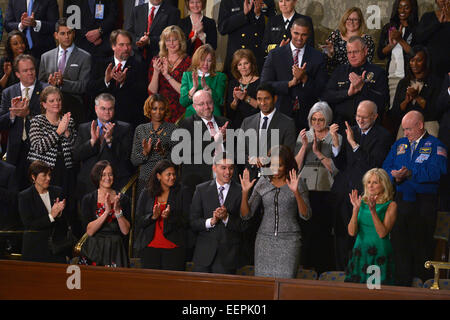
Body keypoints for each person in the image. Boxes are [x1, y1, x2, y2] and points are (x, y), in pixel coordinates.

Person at [383, 110, 447, 286]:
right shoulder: (399, 145)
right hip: (401, 201)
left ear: (420, 125)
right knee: (399, 245)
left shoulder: (436, 145)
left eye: (409, 129)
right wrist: (394, 176)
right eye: (403, 129)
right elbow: (385, 168)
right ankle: (401, 287)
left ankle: (423, 288)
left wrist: (412, 173)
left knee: (421, 246)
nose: (405, 134)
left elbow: (438, 172)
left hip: (424, 203)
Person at [331, 100, 393, 271]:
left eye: (364, 117)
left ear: (375, 116)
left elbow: (373, 166)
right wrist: (336, 143)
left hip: (367, 196)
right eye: (358, 116)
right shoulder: (351, 130)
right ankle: (341, 274)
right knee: (342, 237)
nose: (360, 120)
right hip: (345, 193)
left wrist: (353, 144)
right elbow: (341, 164)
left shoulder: (384, 136)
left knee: (360, 238)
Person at [240, 145, 312, 278]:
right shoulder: (263, 182)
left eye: (280, 165)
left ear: (287, 165)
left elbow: (306, 215)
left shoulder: (297, 182)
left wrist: (296, 192)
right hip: (264, 241)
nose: (275, 169)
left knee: (285, 286)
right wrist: (245, 193)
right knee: (263, 287)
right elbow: (246, 215)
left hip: (290, 241)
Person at [294, 102, 341, 274]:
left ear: (328, 119)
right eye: (313, 119)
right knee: (305, 230)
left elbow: (335, 168)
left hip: (326, 189)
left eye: (321, 119)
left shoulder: (336, 136)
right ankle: (305, 268)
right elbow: (296, 166)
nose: (317, 123)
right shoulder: (303, 135)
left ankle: (323, 271)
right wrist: (305, 146)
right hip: (305, 188)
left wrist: (319, 153)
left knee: (322, 232)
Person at [27, 86, 79, 236]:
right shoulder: (37, 121)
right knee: (48, 207)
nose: (56, 103)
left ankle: (64, 239)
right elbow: (38, 147)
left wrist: (68, 134)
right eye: (51, 101)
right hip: (46, 171)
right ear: (44, 104)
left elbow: (75, 148)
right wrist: (58, 132)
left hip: (66, 169)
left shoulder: (68, 120)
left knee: (66, 206)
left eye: (58, 100)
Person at [261, 17, 328, 132]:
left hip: (308, 117)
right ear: (291, 30)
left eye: (304, 35)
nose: (299, 38)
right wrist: (289, 84)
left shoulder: (318, 57)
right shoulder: (275, 54)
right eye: (296, 33)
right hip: (280, 114)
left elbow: (322, 90)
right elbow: (264, 85)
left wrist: (304, 78)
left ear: (309, 34)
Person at [190, 153, 246, 274]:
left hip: (228, 257)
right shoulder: (201, 190)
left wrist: (226, 218)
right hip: (203, 256)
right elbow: (193, 222)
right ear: (214, 168)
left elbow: (245, 225)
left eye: (231, 168)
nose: (228, 172)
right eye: (223, 168)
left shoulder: (241, 191)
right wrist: (211, 221)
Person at [73, 93, 134, 201]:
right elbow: (76, 155)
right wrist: (92, 142)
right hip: (88, 185)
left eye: (110, 108)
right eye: (103, 108)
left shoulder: (125, 128)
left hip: (114, 184)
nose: (107, 112)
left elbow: (125, 157)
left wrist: (110, 140)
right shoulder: (84, 128)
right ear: (96, 108)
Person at [0, 54, 48, 190]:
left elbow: (52, 119)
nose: (30, 73)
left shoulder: (46, 90)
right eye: (25, 70)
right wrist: (12, 113)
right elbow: (1, 122)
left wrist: (29, 115)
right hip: (15, 151)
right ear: (17, 74)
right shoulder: (8, 92)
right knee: (14, 191)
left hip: (38, 149)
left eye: (32, 69)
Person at [135, 159, 192, 270]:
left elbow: (187, 220)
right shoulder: (146, 193)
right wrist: (152, 217)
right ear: (159, 176)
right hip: (149, 247)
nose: (172, 177)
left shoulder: (183, 192)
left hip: (173, 247)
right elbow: (138, 221)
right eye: (168, 174)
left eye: (174, 174)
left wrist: (170, 217)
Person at [322, 36, 388, 131]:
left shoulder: (378, 72)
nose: (352, 56)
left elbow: (382, 103)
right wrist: (347, 93)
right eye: (349, 52)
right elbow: (326, 96)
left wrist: (362, 88)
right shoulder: (340, 71)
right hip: (341, 127)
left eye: (356, 52)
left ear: (365, 51)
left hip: (368, 128)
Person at [344, 168, 397, 285]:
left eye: (375, 182)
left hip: (379, 252)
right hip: (360, 251)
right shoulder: (360, 202)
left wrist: (373, 211)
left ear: (384, 184)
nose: (370, 186)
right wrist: (355, 209)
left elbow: (382, 233)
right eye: (368, 182)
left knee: (375, 291)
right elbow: (352, 232)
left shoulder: (391, 205)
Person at [89, 29, 147, 128]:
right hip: (102, 122)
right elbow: (90, 89)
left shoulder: (139, 66)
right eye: (121, 45)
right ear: (113, 46)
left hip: (129, 121)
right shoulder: (101, 64)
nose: (126, 48)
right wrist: (105, 80)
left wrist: (124, 82)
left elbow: (142, 94)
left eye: (128, 45)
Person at [39, 17, 92, 125]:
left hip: (74, 109)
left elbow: (83, 86)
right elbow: (40, 83)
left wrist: (63, 82)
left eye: (69, 33)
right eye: (62, 33)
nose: (67, 37)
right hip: (49, 112)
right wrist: (50, 85)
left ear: (74, 34)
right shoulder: (45, 56)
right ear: (56, 35)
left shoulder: (85, 57)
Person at [177, 89, 231, 193]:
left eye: (209, 102)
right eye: (201, 104)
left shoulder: (225, 122)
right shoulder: (186, 124)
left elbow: (235, 150)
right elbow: (181, 151)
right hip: (199, 182)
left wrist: (224, 139)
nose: (206, 107)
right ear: (194, 106)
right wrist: (213, 140)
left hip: (227, 178)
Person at [240, 82, 297, 181]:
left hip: (275, 179)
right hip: (250, 179)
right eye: (259, 99)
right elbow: (239, 151)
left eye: (266, 98)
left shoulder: (287, 123)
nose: (262, 103)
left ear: (275, 99)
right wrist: (251, 159)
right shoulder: (247, 122)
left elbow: (288, 154)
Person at [80, 160, 131, 267]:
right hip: (94, 248)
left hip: (116, 249)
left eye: (110, 174)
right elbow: (89, 231)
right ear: (97, 177)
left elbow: (126, 231)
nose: (107, 178)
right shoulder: (88, 199)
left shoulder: (123, 199)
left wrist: (117, 211)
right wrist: (107, 212)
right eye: (103, 175)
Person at [18, 160, 68, 263]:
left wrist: (60, 214)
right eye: (44, 175)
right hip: (35, 250)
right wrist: (51, 216)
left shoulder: (57, 191)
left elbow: (66, 222)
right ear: (33, 177)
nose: (48, 178)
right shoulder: (25, 196)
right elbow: (29, 224)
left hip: (57, 249)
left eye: (49, 175)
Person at [390, 45, 443, 138]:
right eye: (412, 60)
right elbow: (395, 112)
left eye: (418, 60)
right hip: (406, 127)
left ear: (426, 61)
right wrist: (406, 102)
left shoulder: (435, 82)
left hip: (428, 125)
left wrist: (417, 97)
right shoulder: (403, 83)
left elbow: (436, 112)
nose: (414, 64)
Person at [131, 94, 177, 196]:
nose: (158, 112)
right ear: (149, 109)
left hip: (166, 179)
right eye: (154, 108)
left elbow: (177, 160)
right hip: (145, 179)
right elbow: (134, 160)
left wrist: (163, 153)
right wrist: (145, 153)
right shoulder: (141, 129)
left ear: (165, 110)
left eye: (161, 109)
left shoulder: (173, 129)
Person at [377, 0, 418, 108]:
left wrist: (400, 40)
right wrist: (391, 45)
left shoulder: (416, 29)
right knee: (392, 110)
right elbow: (380, 54)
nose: (402, 11)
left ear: (412, 9)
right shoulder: (389, 28)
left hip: (410, 77)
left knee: (408, 108)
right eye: (400, 7)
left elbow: (416, 54)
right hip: (392, 76)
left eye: (406, 8)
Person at [148, 25, 191, 123]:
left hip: (181, 109)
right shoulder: (156, 60)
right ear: (164, 43)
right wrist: (156, 72)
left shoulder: (188, 61)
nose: (171, 43)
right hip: (160, 109)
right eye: (168, 40)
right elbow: (152, 91)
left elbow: (186, 92)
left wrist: (167, 76)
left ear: (180, 42)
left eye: (175, 40)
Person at [218, 0, 276, 74]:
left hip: (257, 57)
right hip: (236, 58)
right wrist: (243, 14)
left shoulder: (267, 1)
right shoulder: (228, 2)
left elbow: (273, 25)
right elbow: (222, 28)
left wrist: (258, 15)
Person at [321, 7, 375, 74]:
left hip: (358, 76)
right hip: (335, 76)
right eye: (348, 19)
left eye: (355, 19)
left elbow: (367, 63)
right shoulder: (335, 35)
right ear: (344, 20)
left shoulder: (367, 40)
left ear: (360, 21)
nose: (351, 22)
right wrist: (330, 54)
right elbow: (325, 62)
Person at [127, 0, 181, 66]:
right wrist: (139, 40)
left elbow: (172, 36)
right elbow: (129, 33)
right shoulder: (137, 10)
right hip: (136, 57)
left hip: (159, 59)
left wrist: (150, 40)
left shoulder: (173, 12)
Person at [180, 44, 227, 118]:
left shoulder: (220, 77)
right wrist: (194, 88)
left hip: (213, 116)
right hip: (193, 116)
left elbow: (220, 102)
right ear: (197, 60)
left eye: (209, 60)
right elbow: (183, 102)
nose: (205, 64)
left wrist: (206, 88)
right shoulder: (187, 75)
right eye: (203, 60)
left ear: (213, 61)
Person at [415, 0, 450, 80]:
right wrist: (437, 23)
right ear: (436, 1)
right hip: (431, 69)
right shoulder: (428, 17)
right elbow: (419, 38)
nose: (444, 1)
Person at [226, 49, 260, 128]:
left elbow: (262, 107)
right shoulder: (233, 83)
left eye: (246, 63)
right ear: (236, 67)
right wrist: (235, 100)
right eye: (239, 64)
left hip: (255, 124)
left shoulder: (260, 82)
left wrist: (246, 98)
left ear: (252, 64)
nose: (243, 67)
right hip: (236, 125)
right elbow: (230, 112)